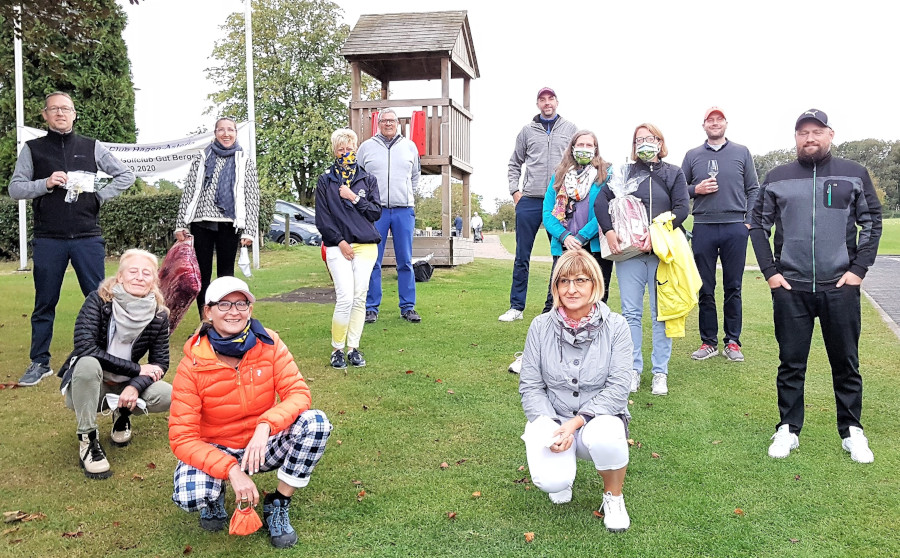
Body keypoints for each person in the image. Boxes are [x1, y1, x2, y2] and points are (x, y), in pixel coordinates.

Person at [750, 109, 882, 463]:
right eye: (802, 133)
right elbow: (758, 226)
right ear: (795, 138)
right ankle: (788, 429)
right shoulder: (777, 177)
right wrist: (771, 273)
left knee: (846, 361)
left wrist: (858, 270)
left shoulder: (853, 174)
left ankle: (852, 430)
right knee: (791, 363)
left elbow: (872, 222)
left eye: (816, 132)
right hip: (790, 287)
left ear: (830, 134)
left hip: (840, 285)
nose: (809, 138)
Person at [169, 276, 332, 548]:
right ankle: (214, 494)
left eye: (241, 303)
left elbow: (299, 392)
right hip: (218, 447)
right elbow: (182, 438)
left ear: (250, 309)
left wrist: (265, 425)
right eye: (224, 304)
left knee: (316, 423)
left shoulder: (269, 343)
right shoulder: (192, 364)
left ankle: (278, 504)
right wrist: (231, 470)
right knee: (190, 495)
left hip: (262, 445)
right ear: (208, 311)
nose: (234, 311)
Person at [9, 91, 135, 386]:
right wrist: (45, 183)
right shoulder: (33, 149)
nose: (61, 114)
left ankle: (109, 357)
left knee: (101, 299)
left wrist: (98, 197)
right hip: (49, 238)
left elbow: (125, 175)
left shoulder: (92, 147)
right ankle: (39, 362)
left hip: (87, 237)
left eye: (66, 109)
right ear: (45, 115)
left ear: (74, 114)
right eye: (54, 109)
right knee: (44, 303)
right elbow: (16, 188)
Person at [519, 250, 633, 532]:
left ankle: (613, 497)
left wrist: (575, 423)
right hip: (554, 420)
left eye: (581, 280)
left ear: (595, 284)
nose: (571, 289)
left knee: (608, 437)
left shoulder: (617, 326)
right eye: (563, 281)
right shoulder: (540, 326)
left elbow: (619, 388)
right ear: (555, 287)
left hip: (596, 419)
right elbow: (531, 385)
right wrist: (552, 426)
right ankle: (562, 473)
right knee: (551, 481)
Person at [57, 249, 171, 479]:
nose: (139, 277)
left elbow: (160, 362)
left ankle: (122, 414)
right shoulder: (97, 301)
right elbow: (85, 347)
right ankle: (87, 439)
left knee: (168, 394)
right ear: (120, 276)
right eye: (133, 271)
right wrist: (137, 369)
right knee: (87, 363)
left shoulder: (159, 315)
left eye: (146, 273)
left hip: (124, 384)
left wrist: (135, 385)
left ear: (154, 281)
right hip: (90, 384)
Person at [594, 124, 689, 396]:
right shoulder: (624, 172)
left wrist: (658, 233)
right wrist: (610, 232)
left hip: (662, 253)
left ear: (660, 142)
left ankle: (661, 372)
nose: (645, 143)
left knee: (662, 315)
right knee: (631, 314)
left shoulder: (673, 173)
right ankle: (633, 369)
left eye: (650, 139)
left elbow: (682, 208)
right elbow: (601, 203)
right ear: (633, 145)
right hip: (630, 254)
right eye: (639, 140)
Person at [681, 107, 759, 363]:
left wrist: (747, 222)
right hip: (703, 226)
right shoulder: (693, 155)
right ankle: (708, 342)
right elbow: (680, 191)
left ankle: (733, 342)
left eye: (719, 119)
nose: (714, 123)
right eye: (709, 120)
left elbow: (753, 190)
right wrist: (697, 189)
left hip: (734, 226)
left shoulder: (742, 152)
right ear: (703, 125)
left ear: (726, 123)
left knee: (733, 287)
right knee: (705, 287)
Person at [499, 87, 578, 322]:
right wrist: (515, 191)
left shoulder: (570, 129)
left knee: (559, 255)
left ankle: (552, 307)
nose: (547, 103)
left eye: (550, 99)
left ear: (557, 102)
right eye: (542, 100)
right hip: (530, 200)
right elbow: (514, 163)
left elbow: (577, 162)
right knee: (522, 255)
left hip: (559, 201)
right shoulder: (526, 131)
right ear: (538, 104)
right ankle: (516, 307)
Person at [175, 117, 260, 318]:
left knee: (226, 276)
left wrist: (250, 230)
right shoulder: (201, 158)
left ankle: (224, 320)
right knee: (201, 276)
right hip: (200, 223)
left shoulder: (244, 161)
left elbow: (252, 196)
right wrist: (180, 224)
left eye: (230, 130)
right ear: (215, 133)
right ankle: (205, 321)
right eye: (221, 130)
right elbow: (189, 191)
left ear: (236, 133)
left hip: (229, 224)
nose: (226, 134)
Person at [315, 129, 382, 369]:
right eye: (341, 149)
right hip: (337, 246)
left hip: (365, 246)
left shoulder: (368, 179)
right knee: (344, 296)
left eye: (349, 148)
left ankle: (353, 347)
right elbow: (323, 219)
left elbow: (375, 212)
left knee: (359, 297)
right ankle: (337, 349)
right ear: (334, 151)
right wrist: (340, 242)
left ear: (356, 149)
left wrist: (354, 197)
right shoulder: (325, 181)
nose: (345, 153)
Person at [357, 108, 422, 324]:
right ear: (378, 123)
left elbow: (415, 176)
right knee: (373, 260)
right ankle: (371, 307)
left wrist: (406, 195)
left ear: (398, 123)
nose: (388, 124)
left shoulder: (409, 146)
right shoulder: (366, 148)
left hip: (404, 210)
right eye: (384, 120)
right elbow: (358, 177)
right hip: (377, 212)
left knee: (405, 260)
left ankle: (408, 307)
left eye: (392, 121)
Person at [541, 130, 614, 312]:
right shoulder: (559, 175)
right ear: (572, 148)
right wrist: (565, 236)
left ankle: (594, 340)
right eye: (580, 145)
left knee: (596, 300)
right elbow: (547, 213)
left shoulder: (606, 174)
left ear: (595, 149)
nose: (584, 149)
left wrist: (582, 237)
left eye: (589, 145)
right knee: (557, 300)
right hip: (565, 245)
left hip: (594, 246)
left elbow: (605, 210)